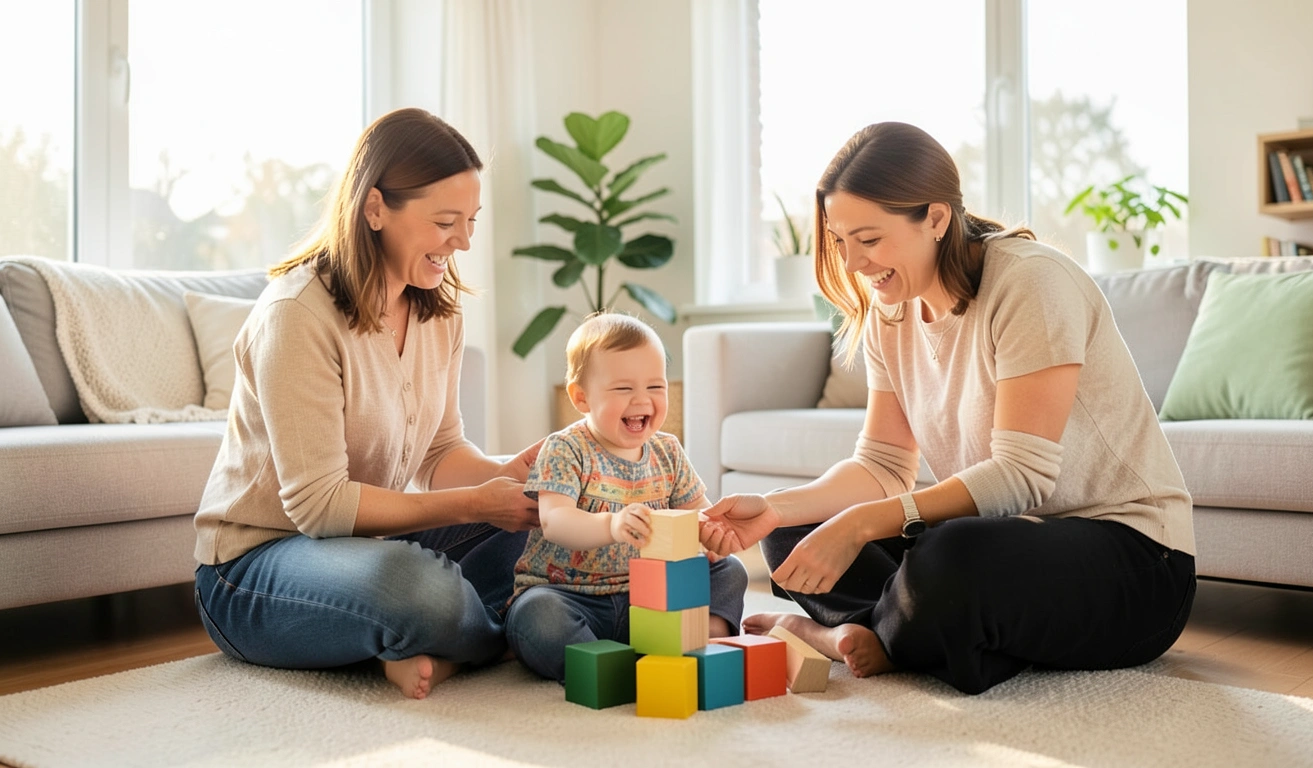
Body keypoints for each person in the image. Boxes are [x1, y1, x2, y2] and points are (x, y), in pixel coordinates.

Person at [700, 122, 1197, 695]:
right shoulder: (894, 309)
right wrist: (774, 507)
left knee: (951, 553)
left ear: (936, 219)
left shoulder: (1031, 283)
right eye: (841, 241)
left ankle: (839, 633)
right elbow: (883, 466)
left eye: (870, 239)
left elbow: (1022, 477)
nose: (855, 264)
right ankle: (901, 634)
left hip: (1135, 562)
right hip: (1006, 541)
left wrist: (860, 525)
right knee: (793, 531)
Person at [193, 107, 543, 700]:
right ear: (375, 208)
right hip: (252, 571)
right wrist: (472, 506)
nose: (462, 241)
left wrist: (507, 478)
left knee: (546, 535)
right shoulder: (296, 315)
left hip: (361, 553)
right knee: (416, 589)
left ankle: (433, 643)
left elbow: (440, 450)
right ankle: (499, 637)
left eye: (470, 221)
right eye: (445, 222)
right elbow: (320, 509)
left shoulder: (438, 310)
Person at [506, 313, 747, 682]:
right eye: (623, 389)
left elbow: (697, 515)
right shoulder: (565, 449)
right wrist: (612, 525)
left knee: (729, 571)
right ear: (581, 397)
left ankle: (700, 640)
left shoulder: (667, 450)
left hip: (654, 600)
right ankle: (609, 671)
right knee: (536, 615)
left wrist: (711, 534)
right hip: (574, 598)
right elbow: (555, 522)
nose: (642, 400)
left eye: (655, 387)